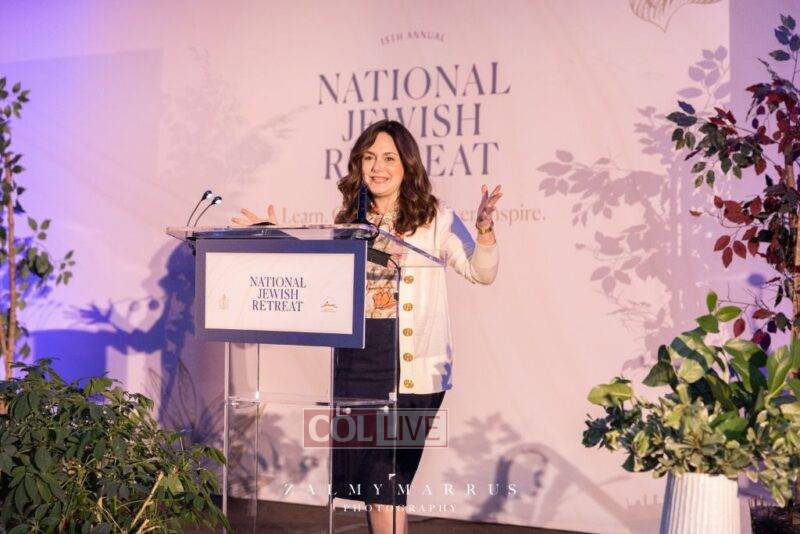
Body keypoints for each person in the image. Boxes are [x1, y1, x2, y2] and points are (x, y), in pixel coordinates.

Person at [233, 119, 501, 533]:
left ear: (407, 165)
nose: (378, 167)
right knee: (374, 488)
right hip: (357, 363)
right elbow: (325, 283)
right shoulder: (349, 220)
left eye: (389, 158)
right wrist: (277, 239)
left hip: (412, 369)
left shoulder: (434, 217)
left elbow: (481, 272)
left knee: (385, 480)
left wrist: (483, 230)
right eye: (369, 157)